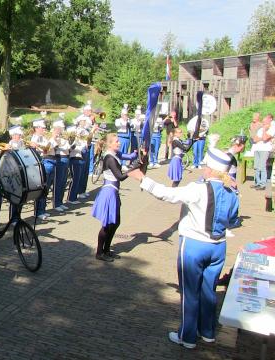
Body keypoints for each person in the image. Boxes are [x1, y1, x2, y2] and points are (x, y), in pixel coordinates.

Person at [128, 148, 239, 350]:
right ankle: (208, 332)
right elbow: (232, 220)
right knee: (209, 290)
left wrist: (143, 179)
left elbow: (168, 194)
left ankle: (186, 336)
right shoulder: (232, 191)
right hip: (219, 246)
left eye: (206, 166)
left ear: (212, 170)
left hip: (194, 244)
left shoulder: (198, 189)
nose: (204, 169)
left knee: (190, 293)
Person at [91, 134, 137, 262]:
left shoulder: (115, 154)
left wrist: (137, 153)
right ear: (110, 144)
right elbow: (120, 177)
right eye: (116, 142)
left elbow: (130, 156)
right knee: (107, 224)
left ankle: (107, 249)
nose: (119, 143)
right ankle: (99, 252)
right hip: (109, 192)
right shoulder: (110, 158)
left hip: (114, 191)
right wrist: (133, 169)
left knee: (115, 222)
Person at [30, 118, 55, 221]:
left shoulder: (44, 138)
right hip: (42, 163)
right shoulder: (34, 139)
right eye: (43, 128)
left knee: (46, 188)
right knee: (42, 188)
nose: (45, 130)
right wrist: (36, 148)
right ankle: (38, 212)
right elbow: (35, 153)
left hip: (49, 162)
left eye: (45, 128)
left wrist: (53, 138)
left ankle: (43, 209)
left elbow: (51, 148)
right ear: (37, 128)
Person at [250, 114, 275, 190]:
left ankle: (262, 184)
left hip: (265, 149)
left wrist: (264, 131)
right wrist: (262, 137)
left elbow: (265, 138)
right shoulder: (261, 129)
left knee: (262, 166)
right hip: (257, 148)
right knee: (256, 166)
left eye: (265, 119)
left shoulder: (272, 128)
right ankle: (257, 182)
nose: (263, 121)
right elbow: (255, 139)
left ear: (270, 119)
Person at [51, 116, 70, 213]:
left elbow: (68, 148)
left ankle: (60, 201)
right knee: (58, 182)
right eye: (59, 129)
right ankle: (56, 203)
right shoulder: (53, 137)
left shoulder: (63, 137)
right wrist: (55, 138)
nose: (61, 130)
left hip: (66, 158)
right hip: (59, 158)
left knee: (63, 182)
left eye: (61, 129)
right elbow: (56, 147)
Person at [67, 123, 87, 205]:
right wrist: (73, 145)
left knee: (78, 179)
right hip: (74, 159)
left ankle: (74, 197)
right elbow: (69, 150)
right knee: (74, 179)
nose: (79, 134)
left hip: (80, 159)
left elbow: (84, 150)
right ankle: (70, 198)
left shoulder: (80, 140)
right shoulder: (71, 140)